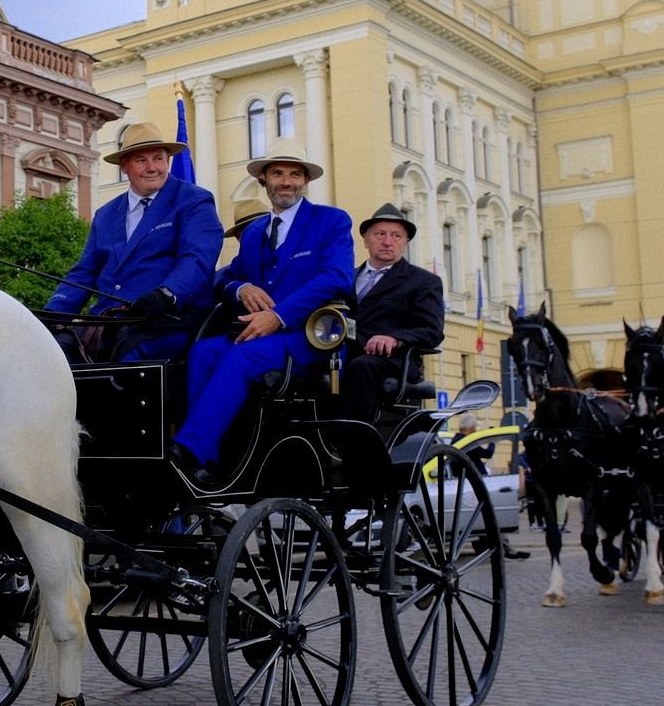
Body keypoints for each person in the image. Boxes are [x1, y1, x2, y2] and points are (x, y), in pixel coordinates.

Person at [169, 139, 353, 485]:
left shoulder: (331, 221)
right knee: (204, 351)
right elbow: (228, 277)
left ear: (306, 181)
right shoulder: (253, 233)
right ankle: (211, 459)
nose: (287, 181)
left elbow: (336, 277)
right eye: (279, 173)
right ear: (264, 180)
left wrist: (278, 315)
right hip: (258, 335)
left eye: (295, 174)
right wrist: (241, 288)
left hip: (309, 337)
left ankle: (189, 451)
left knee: (242, 358)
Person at [45, 122, 224, 360]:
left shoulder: (193, 201)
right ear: (124, 166)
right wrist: (54, 312)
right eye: (141, 160)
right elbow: (84, 272)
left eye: (158, 159)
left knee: (124, 363)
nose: (152, 168)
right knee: (49, 355)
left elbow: (198, 260)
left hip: (167, 321)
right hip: (107, 322)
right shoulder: (106, 214)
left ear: (168, 161)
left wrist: (166, 294)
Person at [337, 202, 444, 422]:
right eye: (380, 234)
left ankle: (351, 435)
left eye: (396, 236)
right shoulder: (344, 278)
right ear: (365, 239)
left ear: (406, 243)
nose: (387, 242)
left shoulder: (423, 281)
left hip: (392, 361)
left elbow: (432, 331)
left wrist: (396, 339)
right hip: (342, 353)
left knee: (362, 366)